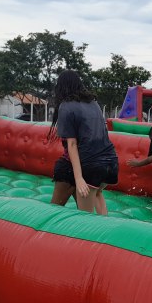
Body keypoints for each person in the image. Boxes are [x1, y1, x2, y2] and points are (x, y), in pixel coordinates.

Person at [47, 70, 118, 214]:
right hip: (111, 163)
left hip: (89, 167)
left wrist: (79, 178)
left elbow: (71, 144)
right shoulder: (94, 104)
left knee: (86, 219)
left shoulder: (66, 106)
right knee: (97, 194)